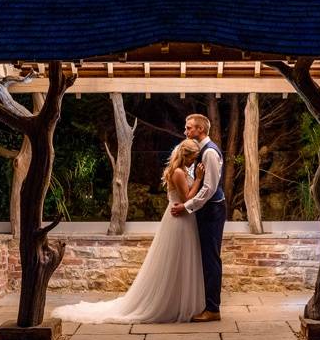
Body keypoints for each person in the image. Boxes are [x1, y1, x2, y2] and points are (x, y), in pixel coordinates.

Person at [51, 139, 206, 323]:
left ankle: (179, 302)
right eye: (193, 158)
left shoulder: (180, 170)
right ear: (186, 156)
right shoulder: (179, 172)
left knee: (181, 262)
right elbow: (187, 197)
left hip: (182, 218)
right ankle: (171, 304)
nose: (193, 162)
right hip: (180, 220)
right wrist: (198, 179)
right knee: (176, 261)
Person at [170, 113, 226, 322]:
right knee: (207, 258)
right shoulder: (202, 151)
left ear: (200, 129)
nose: (186, 132)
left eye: (189, 128)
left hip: (212, 210)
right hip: (207, 210)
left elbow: (209, 188)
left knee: (211, 259)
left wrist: (187, 206)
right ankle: (208, 304)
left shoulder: (209, 153)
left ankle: (213, 309)